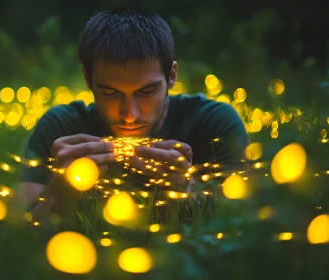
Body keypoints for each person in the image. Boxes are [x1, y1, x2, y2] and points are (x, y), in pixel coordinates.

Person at [16, 6, 249, 222]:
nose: (129, 114)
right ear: (88, 79)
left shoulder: (215, 123)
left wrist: (187, 193)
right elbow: (17, 234)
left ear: (172, 76)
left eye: (146, 91)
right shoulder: (61, 127)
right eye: (110, 92)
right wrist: (58, 195)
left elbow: (243, 220)